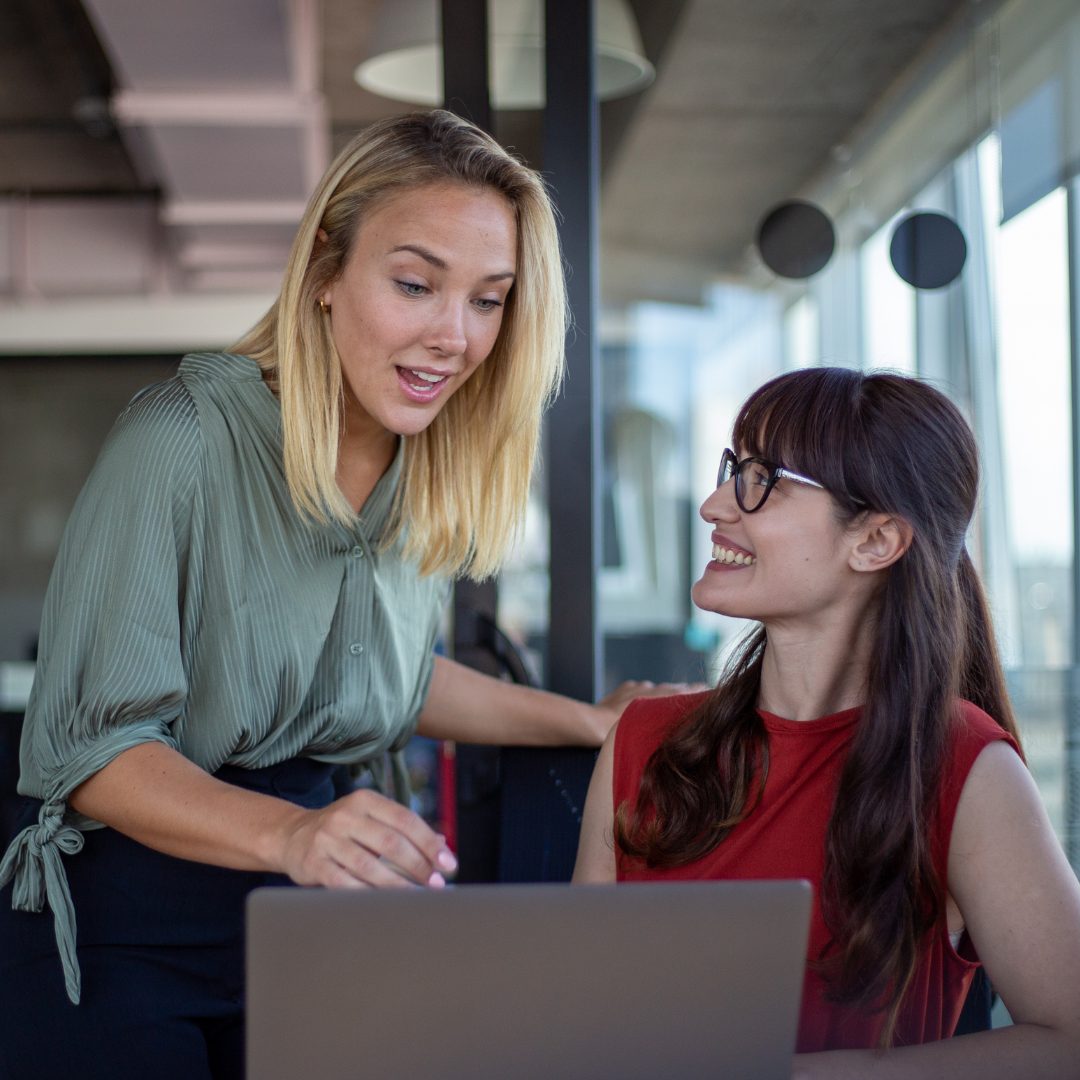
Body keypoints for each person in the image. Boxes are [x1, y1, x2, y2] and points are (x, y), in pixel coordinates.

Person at [0, 109, 684, 1080]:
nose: (454, 336)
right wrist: (296, 832)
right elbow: (95, 751)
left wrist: (590, 722)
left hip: (307, 918)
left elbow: (395, 681)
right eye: (415, 284)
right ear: (326, 270)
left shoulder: (420, 472)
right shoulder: (181, 441)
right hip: (126, 928)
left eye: (489, 300)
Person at [574, 367, 1080, 1076]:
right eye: (732, 470)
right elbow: (573, 1012)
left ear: (875, 540)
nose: (717, 504)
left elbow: (1069, 1039)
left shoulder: (964, 765)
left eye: (763, 480)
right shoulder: (642, 741)